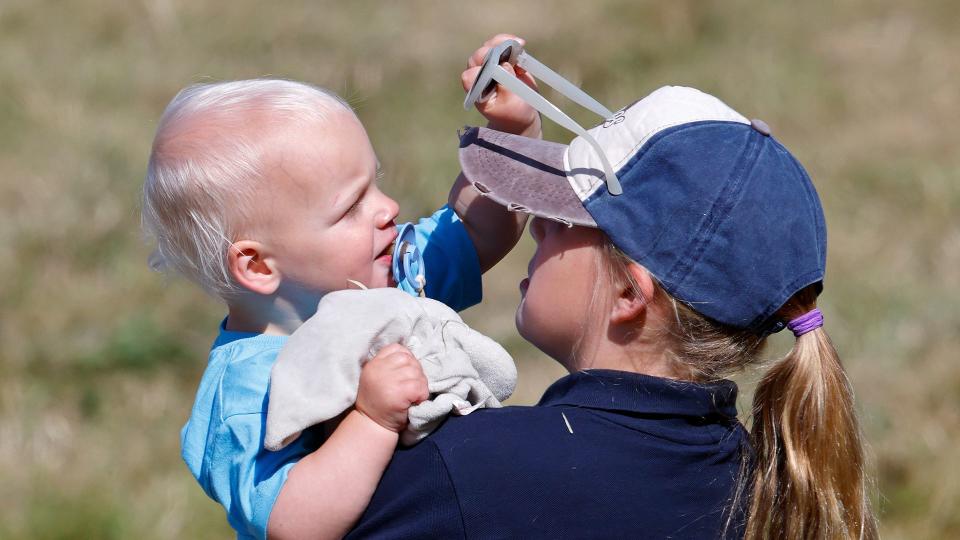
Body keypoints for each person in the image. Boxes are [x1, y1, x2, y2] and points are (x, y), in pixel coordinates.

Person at [347, 82, 878, 538]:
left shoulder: (466, 475)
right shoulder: (768, 490)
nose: (538, 225)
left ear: (631, 293)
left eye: (567, 216)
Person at [141, 36, 540, 540]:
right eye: (350, 207)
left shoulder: (387, 278)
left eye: (375, 183)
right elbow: (290, 521)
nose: (388, 207)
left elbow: (481, 229)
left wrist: (512, 129)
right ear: (258, 265)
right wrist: (371, 421)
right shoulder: (246, 394)